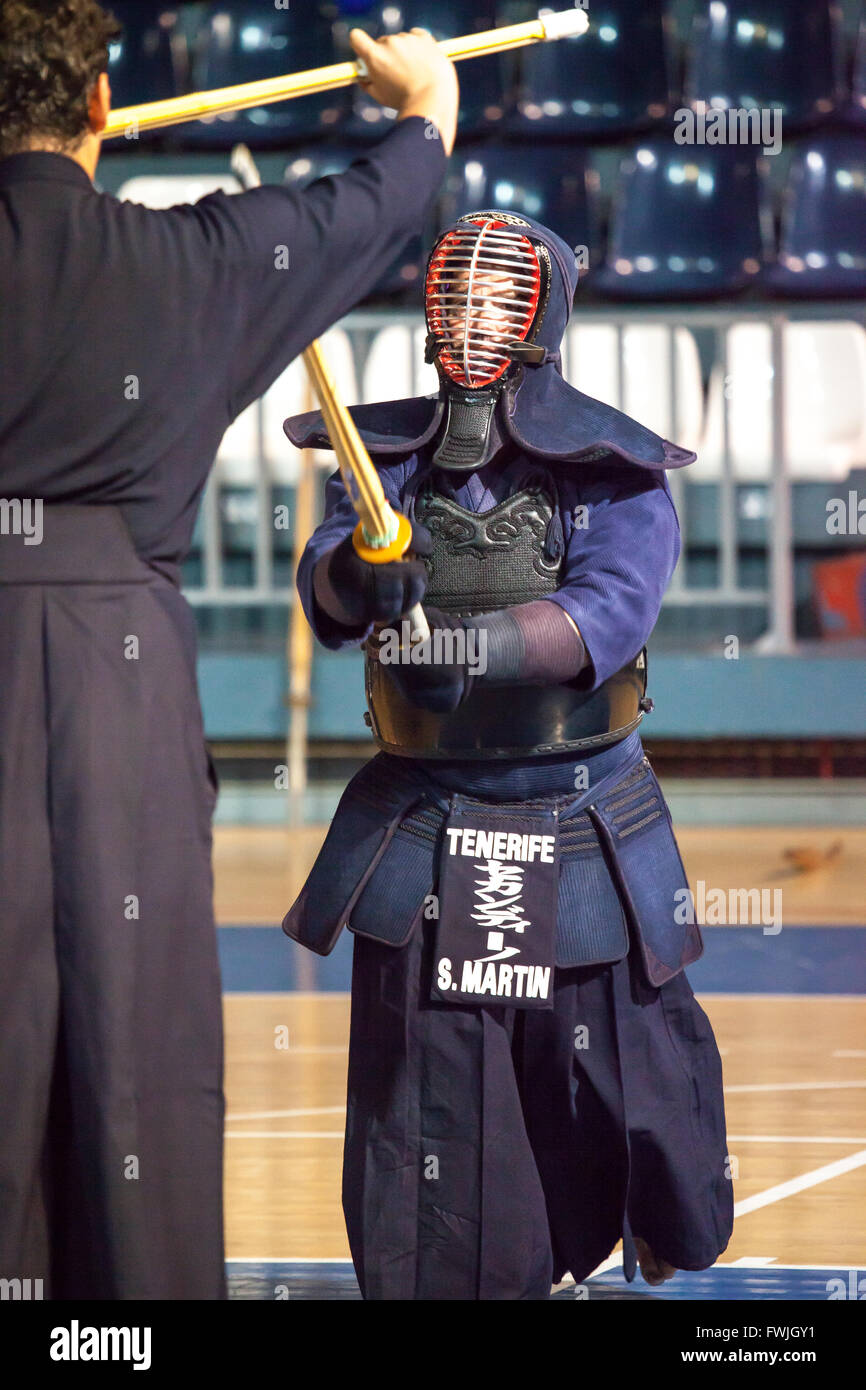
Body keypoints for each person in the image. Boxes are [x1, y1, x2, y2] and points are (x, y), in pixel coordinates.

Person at [0, 0, 457, 1299]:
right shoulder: (188, 265)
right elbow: (362, 210)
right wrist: (424, 113)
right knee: (129, 1050)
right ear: (100, 107)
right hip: (117, 694)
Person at [283, 210, 734, 1300]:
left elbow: (608, 614)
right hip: (428, 817)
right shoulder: (382, 463)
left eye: (495, 297)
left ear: (540, 318)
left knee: (633, 1098)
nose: (469, 315)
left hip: (581, 819)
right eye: (456, 295)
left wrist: (474, 643)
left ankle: (653, 1220)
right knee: (433, 1126)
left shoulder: (615, 471)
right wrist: (358, 578)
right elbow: (329, 588)